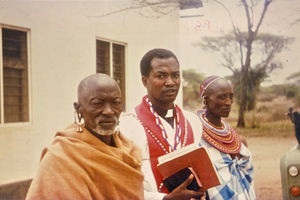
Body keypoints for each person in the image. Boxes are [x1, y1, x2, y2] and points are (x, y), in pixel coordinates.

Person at [26, 73, 144, 200]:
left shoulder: (130, 151)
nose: (109, 111)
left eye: (116, 103)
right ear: (78, 109)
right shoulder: (60, 157)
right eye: (98, 103)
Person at [119, 48, 204, 200]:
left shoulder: (192, 121)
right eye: (161, 76)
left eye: (175, 75)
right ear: (145, 81)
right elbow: (122, 185)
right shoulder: (128, 125)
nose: (170, 82)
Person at [197, 75, 256, 200]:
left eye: (231, 97)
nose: (228, 102)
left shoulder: (234, 137)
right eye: (222, 97)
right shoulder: (196, 137)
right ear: (206, 100)